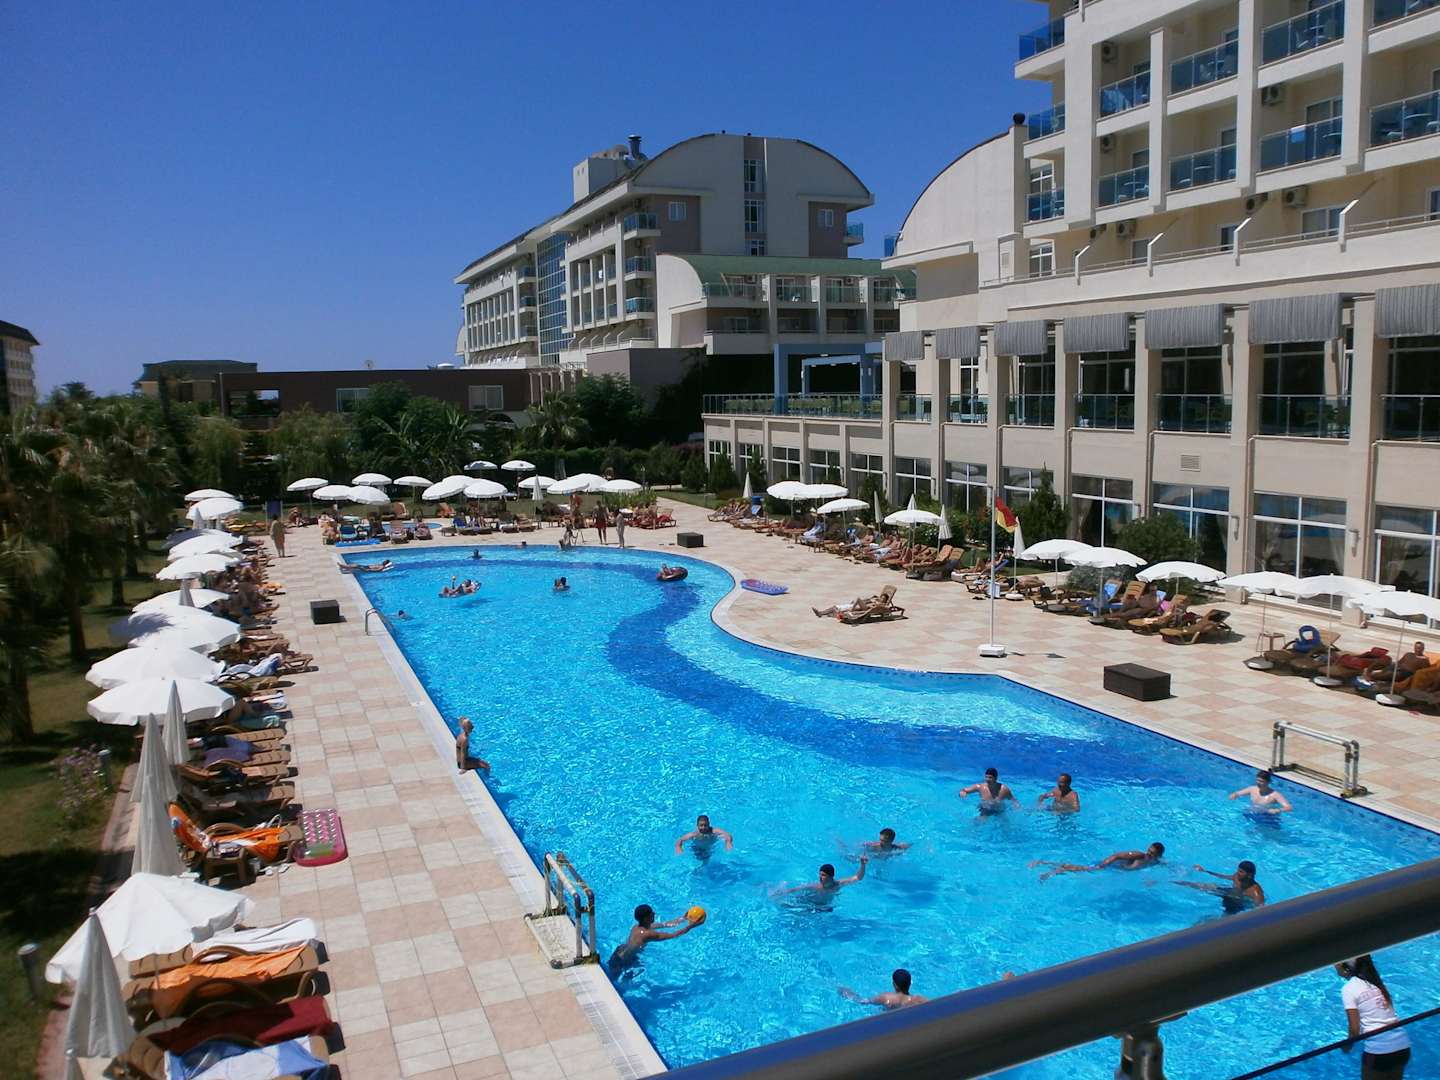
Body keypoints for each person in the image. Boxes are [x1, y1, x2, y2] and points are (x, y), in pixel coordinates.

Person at [1336, 955, 1411, 1077]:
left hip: (1379, 1052)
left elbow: (1354, 1029)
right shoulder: (1376, 982)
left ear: (1345, 968)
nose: (1335, 966)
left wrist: (1346, 1046)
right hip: (1403, 1047)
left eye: (1336, 963)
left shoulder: (1349, 989)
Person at [608, 904, 702, 969]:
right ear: (646, 918)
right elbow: (673, 935)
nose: (654, 914)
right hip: (621, 962)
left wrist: (684, 918)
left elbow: (665, 924)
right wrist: (691, 926)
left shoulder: (637, 926)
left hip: (618, 953)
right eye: (652, 914)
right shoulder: (647, 934)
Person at [1032, 842, 1165, 882]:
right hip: (1109, 866)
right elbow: (1117, 855)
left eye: (1152, 853)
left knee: (1081, 869)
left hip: (1115, 870)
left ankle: (1046, 865)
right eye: (1149, 850)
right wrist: (1103, 865)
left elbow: (1166, 867)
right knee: (1082, 869)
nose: (1148, 853)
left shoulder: (1155, 861)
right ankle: (1047, 867)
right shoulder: (1139, 854)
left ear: (1158, 855)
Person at [1177, 860, 1266, 913]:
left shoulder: (1255, 892)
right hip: (1229, 892)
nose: (1238, 873)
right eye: (1238, 870)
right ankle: (1175, 882)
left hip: (1237, 903)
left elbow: (1260, 909)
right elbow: (1223, 876)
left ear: (1250, 875)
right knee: (1200, 885)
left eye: (1241, 872)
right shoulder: (1237, 877)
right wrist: (1205, 871)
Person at [839, 969, 928, 1011]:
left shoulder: (886, 998)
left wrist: (846, 992)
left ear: (894, 985)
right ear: (910, 983)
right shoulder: (919, 999)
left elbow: (862, 1001)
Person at [779, 857, 868, 896]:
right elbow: (795, 889)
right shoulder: (816, 886)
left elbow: (858, 877)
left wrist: (862, 865)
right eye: (820, 874)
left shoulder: (838, 884)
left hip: (825, 908)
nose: (820, 877)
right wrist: (782, 892)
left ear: (831, 876)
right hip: (812, 904)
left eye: (823, 875)